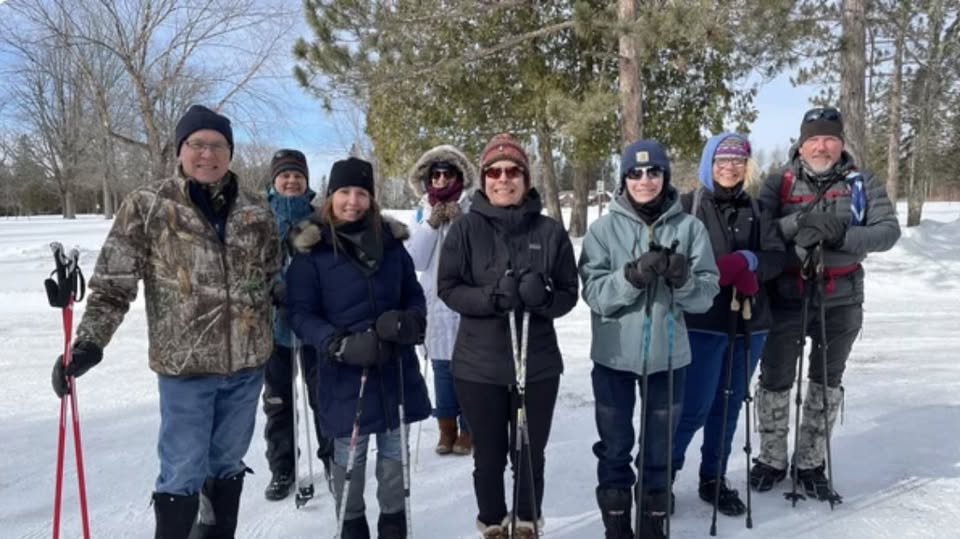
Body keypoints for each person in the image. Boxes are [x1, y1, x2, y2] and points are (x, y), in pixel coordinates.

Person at [49, 105, 281, 538]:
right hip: (186, 369)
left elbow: (270, 277)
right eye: (197, 144)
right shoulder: (148, 205)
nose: (207, 154)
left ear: (230, 152)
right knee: (182, 472)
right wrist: (88, 343)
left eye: (217, 145)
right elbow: (114, 284)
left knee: (227, 466)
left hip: (248, 367)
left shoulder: (257, 210)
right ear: (180, 150)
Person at [749, 107, 900, 502]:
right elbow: (761, 232)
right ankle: (771, 459)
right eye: (813, 138)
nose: (821, 145)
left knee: (826, 381)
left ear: (841, 143)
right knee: (776, 377)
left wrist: (840, 235)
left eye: (829, 138)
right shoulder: (777, 182)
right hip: (787, 295)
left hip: (842, 297)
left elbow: (887, 232)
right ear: (800, 145)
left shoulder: (863, 182)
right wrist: (797, 224)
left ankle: (811, 462)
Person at [437, 133, 579, 538]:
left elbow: (569, 293)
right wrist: (491, 297)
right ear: (483, 179)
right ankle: (493, 524)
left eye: (513, 171)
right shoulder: (465, 229)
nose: (504, 179)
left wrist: (545, 297)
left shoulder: (549, 231)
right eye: (494, 171)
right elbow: (448, 287)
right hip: (479, 366)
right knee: (490, 456)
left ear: (526, 177)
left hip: (536, 364)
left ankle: (526, 522)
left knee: (529, 454)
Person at [578, 139, 719, 539]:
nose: (644, 180)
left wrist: (683, 279)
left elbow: (707, 294)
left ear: (665, 176)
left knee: (658, 452)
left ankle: (653, 527)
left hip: (669, 359)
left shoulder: (690, 229)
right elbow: (593, 293)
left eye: (653, 172)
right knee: (616, 447)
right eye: (635, 173)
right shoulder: (602, 231)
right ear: (624, 179)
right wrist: (631, 278)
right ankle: (617, 527)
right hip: (614, 358)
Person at [286, 156, 431, 539]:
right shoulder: (312, 250)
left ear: (372, 198)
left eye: (362, 193)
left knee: (393, 460)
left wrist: (409, 321)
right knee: (350, 458)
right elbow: (300, 314)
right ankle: (351, 529)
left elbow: (414, 296)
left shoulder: (391, 244)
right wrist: (338, 344)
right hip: (344, 372)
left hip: (394, 368)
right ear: (331, 196)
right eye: (344, 192)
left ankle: (393, 527)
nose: (353, 201)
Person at [670, 133, 785, 516]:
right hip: (702, 321)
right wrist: (710, 272)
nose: (730, 168)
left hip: (751, 321)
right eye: (722, 161)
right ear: (708, 164)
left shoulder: (758, 208)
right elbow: (673, 258)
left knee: (730, 403)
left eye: (738, 161)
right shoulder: (687, 207)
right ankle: (661, 478)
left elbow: (776, 257)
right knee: (694, 406)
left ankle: (713, 478)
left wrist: (751, 263)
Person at [261, 149, 334, 501]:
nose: (291, 181)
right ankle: (283, 468)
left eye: (297, 176)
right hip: (273, 328)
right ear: (274, 180)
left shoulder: (321, 220)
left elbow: (335, 270)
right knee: (278, 403)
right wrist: (270, 287)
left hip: (314, 326)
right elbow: (245, 268)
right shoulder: (257, 218)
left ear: (306, 182)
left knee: (324, 398)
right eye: (284, 175)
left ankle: (333, 460)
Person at [405, 145, 477, 456]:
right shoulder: (422, 213)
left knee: (469, 370)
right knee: (442, 371)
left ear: (459, 177)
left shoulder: (473, 211)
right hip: (435, 304)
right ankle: (445, 428)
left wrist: (459, 224)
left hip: (465, 303)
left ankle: (469, 428)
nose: (441, 179)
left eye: (448, 173)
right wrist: (432, 224)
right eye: (436, 174)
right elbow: (415, 261)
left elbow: (479, 256)